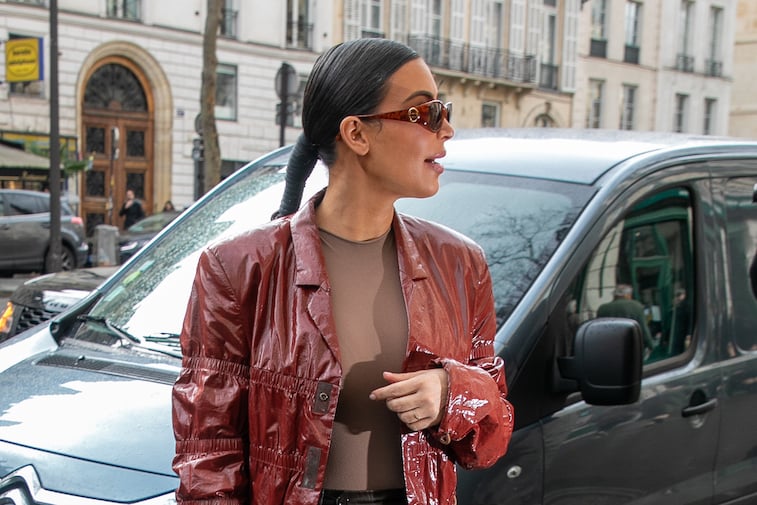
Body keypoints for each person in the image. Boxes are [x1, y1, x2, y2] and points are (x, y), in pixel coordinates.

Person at [172, 38, 514, 505]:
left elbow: (493, 435)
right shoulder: (239, 267)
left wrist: (453, 392)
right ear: (356, 133)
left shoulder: (459, 264)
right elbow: (207, 456)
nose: (447, 130)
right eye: (426, 112)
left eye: (444, 110)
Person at [597, 284, 656, 353]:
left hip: (610, 349)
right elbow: (643, 329)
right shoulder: (636, 306)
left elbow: (599, 332)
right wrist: (651, 346)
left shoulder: (603, 309)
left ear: (614, 295)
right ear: (627, 295)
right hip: (631, 348)